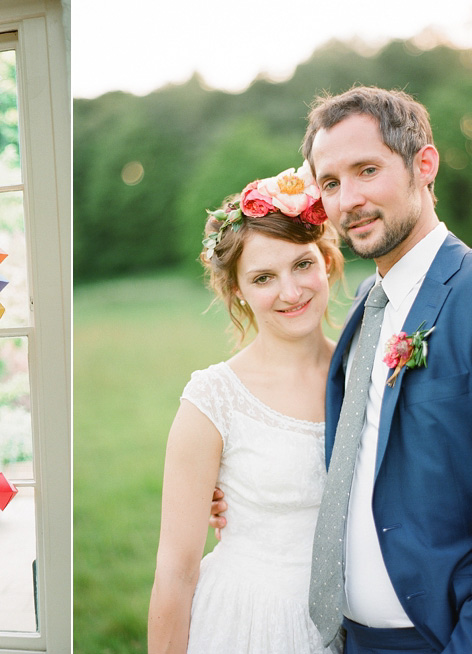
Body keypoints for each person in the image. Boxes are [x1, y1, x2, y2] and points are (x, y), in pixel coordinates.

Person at [213, 85, 472, 653]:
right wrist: (240, 493)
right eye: (330, 183)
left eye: (367, 170)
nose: (349, 200)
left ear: (424, 164)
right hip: (353, 641)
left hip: (449, 637)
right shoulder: (366, 305)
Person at [148, 163, 346, 654]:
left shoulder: (366, 366)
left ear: (326, 260)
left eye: (302, 264)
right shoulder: (214, 399)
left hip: (359, 622)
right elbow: (175, 571)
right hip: (252, 623)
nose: (291, 291)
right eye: (263, 277)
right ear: (237, 290)